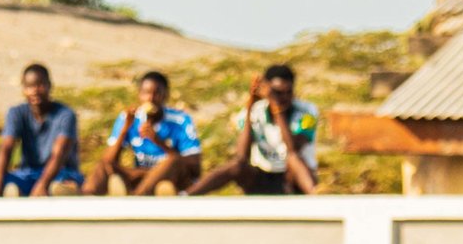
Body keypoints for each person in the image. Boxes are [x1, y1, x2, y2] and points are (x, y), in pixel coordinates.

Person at [186, 66, 317, 196]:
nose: (284, 97)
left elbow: (292, 148)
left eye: (288, 92)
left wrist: (277, 109)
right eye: (277, 92)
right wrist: (250, 106)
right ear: (265, 89)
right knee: (236, 165)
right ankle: (186, 196)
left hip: (292, 179)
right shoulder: (256, 110)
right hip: (262, 176)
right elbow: (242, 155)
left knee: (293, 158)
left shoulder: (307, 111)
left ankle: (316, 196)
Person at [83, 71, 201, 197]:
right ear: (139, 95)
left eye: (157, 93)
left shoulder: (181, 120)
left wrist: (158, 141)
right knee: (103, 166)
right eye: (146, 93)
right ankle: (85, 199)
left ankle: (137, 198)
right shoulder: (129, 118)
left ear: (166, 95)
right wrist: (125, 130)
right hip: (142, 175)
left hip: (172, 176)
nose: (150, 98)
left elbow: (195, 168)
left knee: (173, 160)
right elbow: (109, 160)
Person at [0, 64, 82, 197]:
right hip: (28, 174)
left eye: (40, 85)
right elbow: (6, 148)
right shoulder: (16, 113)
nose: (34, 91)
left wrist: (42, 184)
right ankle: (13, 190)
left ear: (50, 86)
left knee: (60, 186)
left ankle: (53, 191)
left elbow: (59, 154)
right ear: (23, 89)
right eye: (29, 87)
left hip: (60, 173)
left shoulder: (65, 114)